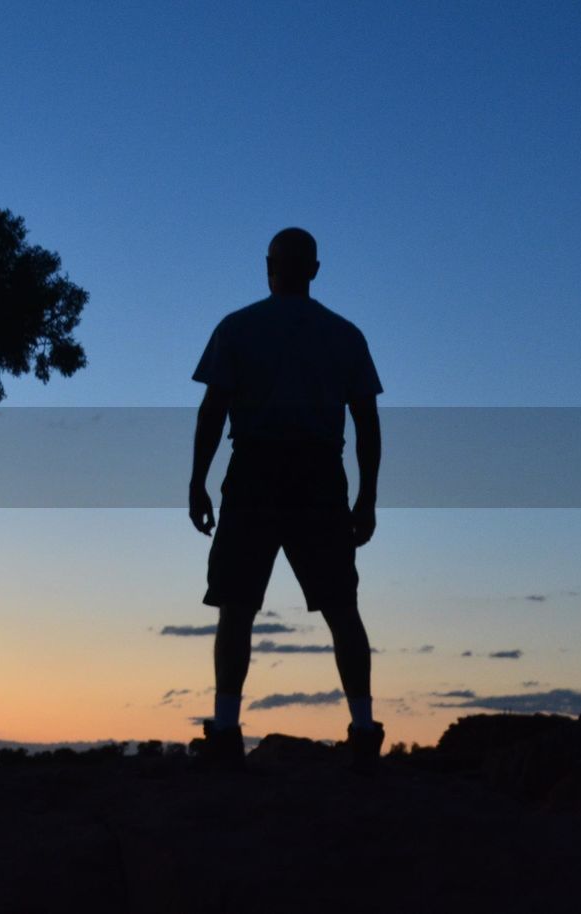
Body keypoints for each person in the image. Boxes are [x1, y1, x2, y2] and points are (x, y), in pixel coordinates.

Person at [188, 227, 384, 773]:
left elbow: (213, 411)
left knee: (236, 605)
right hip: (320, 475)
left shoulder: (238, 328)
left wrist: (197, 480)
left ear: (267, 266)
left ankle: (226, 730)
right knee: (342, 607)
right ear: (315, 270)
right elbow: (367, 425)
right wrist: (367, 497)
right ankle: (364, 728)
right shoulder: (343, 335)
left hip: (253, 470)